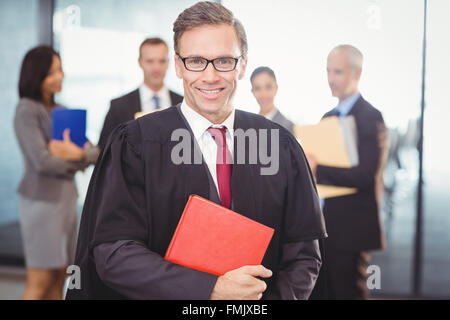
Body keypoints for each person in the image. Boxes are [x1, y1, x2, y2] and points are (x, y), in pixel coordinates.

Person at [67, 1, 326, 300]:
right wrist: (209, 290)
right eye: (196, 61)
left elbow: (304, 253)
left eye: (224, 61)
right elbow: (114, 252)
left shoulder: (279, 145)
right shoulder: (136, 142)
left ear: (242, 65)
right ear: (178, 65)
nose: (211, 76)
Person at [13, 45, 99, 300]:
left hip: (66, 201)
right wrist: (79, 158)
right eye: (51, 72)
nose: (59, 76)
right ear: (36, 76)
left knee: (60, 274)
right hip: (41, 204)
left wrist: (76, 154)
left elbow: (96, 152)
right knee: (39, 278)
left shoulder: (62, 110)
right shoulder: (27, 110)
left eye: (60, 70)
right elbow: (42, 162)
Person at [306, 44, 388, 299]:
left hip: (352, 228)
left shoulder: (371, 117)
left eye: (338, 72)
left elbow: (366, 175)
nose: (331, 79)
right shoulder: (327, 117)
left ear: (357, 73)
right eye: (328, 71)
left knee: (348, 292)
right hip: (325, 227)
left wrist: (318, 168)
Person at [98, 37, 183, 150]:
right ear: (140, 62)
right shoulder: (119, 107)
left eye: (161, 61)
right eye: (150, 61)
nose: (156, 68)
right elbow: (105, 151)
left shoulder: (184, 104)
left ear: (169, 62)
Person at [250, 66, 295, 135]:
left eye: (268, 87)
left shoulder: (286, 127)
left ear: (276, 88)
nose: (263, 94)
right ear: (252, 91)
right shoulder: (248, 126)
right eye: (257, 88)